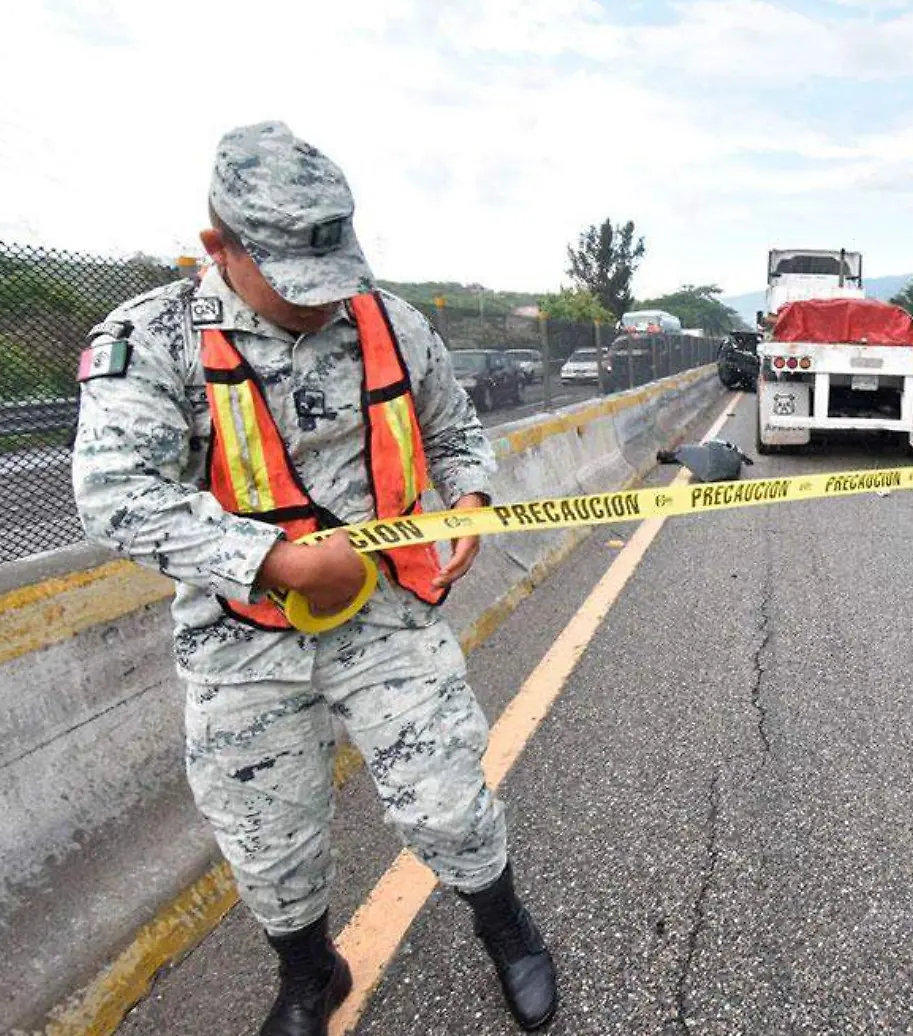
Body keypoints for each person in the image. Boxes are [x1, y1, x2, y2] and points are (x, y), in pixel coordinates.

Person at [72, 123, 558, 1035]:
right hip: (240, 635)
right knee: (265, 835)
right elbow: (113, 495)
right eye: (297, 286)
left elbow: (455, 433)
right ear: (218, 248)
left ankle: (507, 926)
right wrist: (273, 560)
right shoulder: (154, 340)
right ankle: (307, 976)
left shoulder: (392, 321)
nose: (322, 305)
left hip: (386, 615)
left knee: (447, 795)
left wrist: (471, 498)